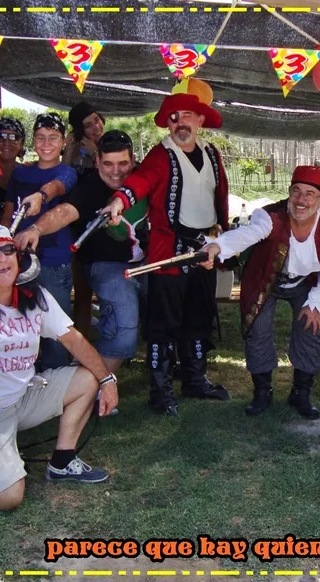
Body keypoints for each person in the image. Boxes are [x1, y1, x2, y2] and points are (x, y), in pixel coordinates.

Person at [0, 224, 119, 511]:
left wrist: (107, 380)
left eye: (7, 250)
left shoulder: (34, 296)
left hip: (23, 397)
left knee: (89, 378)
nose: (2, 259)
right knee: (9, 498)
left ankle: (62, 462)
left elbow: (73, 340)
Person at [103, 93, 230, 416]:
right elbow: (140, 181)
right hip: (169, 251)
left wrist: (225, 237)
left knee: (199, 317)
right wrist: (119, 201)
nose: (180, 123)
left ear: (200, 120)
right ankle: (160, 393)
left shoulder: (212, 153)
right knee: (164, 324)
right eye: (174, 117)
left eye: (186, 115)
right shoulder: (161, 155)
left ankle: (195, 380)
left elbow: (221, 195)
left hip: (204, 249)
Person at [199, 167, 320, 419]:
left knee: (311, 326)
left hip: (306, 282)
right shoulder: (270, 217)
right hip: (266, 278)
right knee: (257, 329)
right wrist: (217, 246)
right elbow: (246, 234)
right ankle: (262, 392)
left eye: (309, 194)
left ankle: (301, 392)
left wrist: (315, 303)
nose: (301, 200)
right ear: (289, 192)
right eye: (296, 191)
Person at [16, 130, 142, 375]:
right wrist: (35, 229)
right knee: (123, 314)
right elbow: (64, 212)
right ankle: (99, 384)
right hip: (106, 265)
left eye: (123, 163)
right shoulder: (90, 187)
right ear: (97, 161)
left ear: (133, 160)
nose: (116, 171)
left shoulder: (143, 178)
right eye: (108, 163)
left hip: (150, 262)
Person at [5, 113, 79, 371]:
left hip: (54, 262)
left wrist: (40, 195)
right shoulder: (20, 172)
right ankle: (25, 378)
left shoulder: (67, 172)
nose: (46, 144)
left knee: (56, 326)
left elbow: (59, 186)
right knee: (22, 324)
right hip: (19, 260)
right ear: (33, 141)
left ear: (63, 142)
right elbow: (8, 212)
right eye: (40, 137)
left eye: (53, 137)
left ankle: (58, 378)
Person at [0, 117, 26, 224]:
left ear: (21, 144)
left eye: (14, 137)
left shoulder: (27, 174)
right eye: (0, 136)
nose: (7, 142)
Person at [64, 102, 105, 176]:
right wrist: (68, 151)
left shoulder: (113, 143)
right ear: (81, 132)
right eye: (88, 126)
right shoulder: (77, 153)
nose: (96, 127)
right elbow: (64, 178)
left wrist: (94, 153)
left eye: (97, 120)